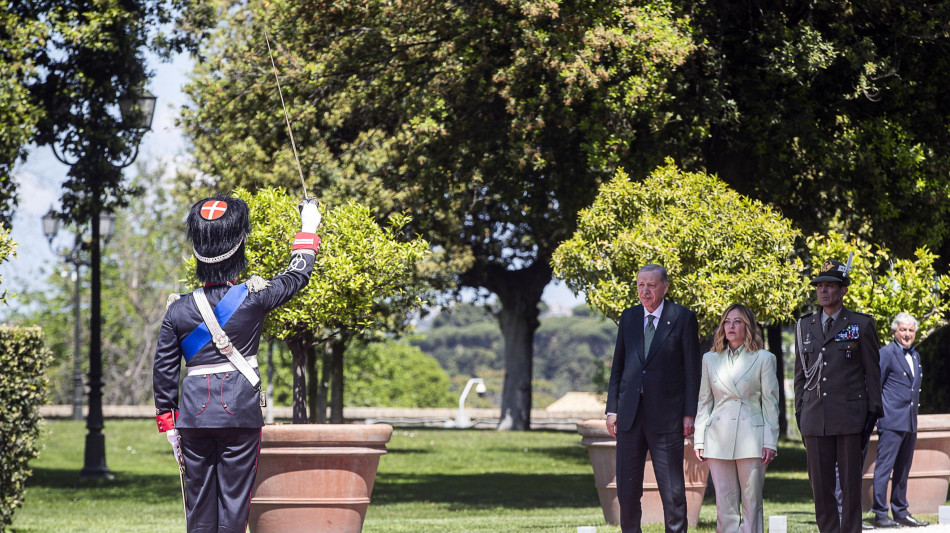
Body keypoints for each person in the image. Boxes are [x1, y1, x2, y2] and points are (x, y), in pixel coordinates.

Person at [153, 195, 321, 532]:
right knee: (234, 508)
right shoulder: (255, 295)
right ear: (239, 243)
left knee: (198, 510)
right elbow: (297, 274)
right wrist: (309, 225)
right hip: (240, 413)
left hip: (192, 418)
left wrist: (169, 425)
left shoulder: (178, 309)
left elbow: (164, 371)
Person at [606, 264, 702, 533]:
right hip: (629, 416)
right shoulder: (628, 318)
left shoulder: (682, 317)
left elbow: (692, 370)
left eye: (651, 285)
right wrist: (611, 409)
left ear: (665, 287)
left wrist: (689, 413)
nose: (645, 291)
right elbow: (619, 366)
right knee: (627, 491)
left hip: (668, 417)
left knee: (672, 492)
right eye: (640, 285)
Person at [794, 258, 882, 533]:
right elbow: (800, 376)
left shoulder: (861, 324)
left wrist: (872, 413)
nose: (823, 291)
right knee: (821, 489)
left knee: (850, 487)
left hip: (850, 419)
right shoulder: (804, 326)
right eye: (820, 286)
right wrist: (799, 411)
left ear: (843, 290)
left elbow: (872, 374)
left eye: (830, 286)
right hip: (814, 418)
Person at [694, 304, 779, 533]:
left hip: (751, 438)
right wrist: (699, 440)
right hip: (717, 437)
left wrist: (770, 441)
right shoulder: (710, 359)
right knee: (724, 505)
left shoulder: (764, 358)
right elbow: (704, 401)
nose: (731, 326)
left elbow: (771, 404)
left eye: (737, 321)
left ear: (748, 326)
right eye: (727, 321)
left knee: (752, 502)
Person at [872, 313, 929, 528]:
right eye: (903, 330)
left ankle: (900, 511)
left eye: (911, 330)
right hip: (891, 420)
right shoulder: (886, 354)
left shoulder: (915, 356)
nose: (907, 334)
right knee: (884, 468)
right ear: (895, 331)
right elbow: (876, 387)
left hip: (910, 422)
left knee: (904, 469)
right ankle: (880, 513)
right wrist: (877, 416)